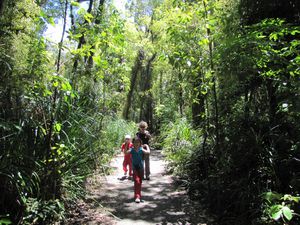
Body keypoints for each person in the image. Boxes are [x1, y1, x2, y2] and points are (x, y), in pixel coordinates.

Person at [126, 137, 150, 203]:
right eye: (135, 142)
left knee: (139, 182)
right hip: (135, 168)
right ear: (133, 143)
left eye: (138, 142)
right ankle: (137, 196)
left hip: (141, 168)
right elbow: (125, 153)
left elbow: (148, 152)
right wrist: (126, 145)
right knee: (137, 181)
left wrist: (147, 146)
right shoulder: (132, 150)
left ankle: (137, 194)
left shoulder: (141, 149)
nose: (137, 144)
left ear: (140, 143)